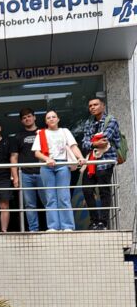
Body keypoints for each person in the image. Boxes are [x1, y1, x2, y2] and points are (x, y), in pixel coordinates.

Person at [32, 110, 85, 231]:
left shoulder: (64, 131)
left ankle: (67, 226)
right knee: (50, 197)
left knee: (64, 196)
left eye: (53, 117)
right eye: (48, 118)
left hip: (62, 164)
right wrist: (47, 159)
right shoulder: (41, 133)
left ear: (58, 119)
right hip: (47, 166)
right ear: (46, 121)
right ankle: (53, 226)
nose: (51, 119)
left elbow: (73, 146)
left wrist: (80, 157)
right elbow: (36, 152)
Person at [81, 97, 120, 230]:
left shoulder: (111, 120)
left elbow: (105, 140)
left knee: (104, 191)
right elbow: (84, 144)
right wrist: (94, 143)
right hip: (91, 162)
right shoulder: (88, 123)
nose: (92, 107)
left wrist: (92, 143)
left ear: (103, 106)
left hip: (105, 161)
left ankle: (103, 222)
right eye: (90, 105)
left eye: (96, 104)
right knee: (87, 189)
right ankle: (94, 221)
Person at [10, 108, 45, 232]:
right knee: (29, 205)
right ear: (21, 121)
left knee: (48, 202)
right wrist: (15, 178)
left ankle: (52, 227)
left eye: (29, 116)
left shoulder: (43, 133)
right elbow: (14, 157)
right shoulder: (18, 136)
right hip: (25, 174)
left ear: (34, 117)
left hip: (43, 172)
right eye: (24, 118)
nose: (27, 119)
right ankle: (33, 230)